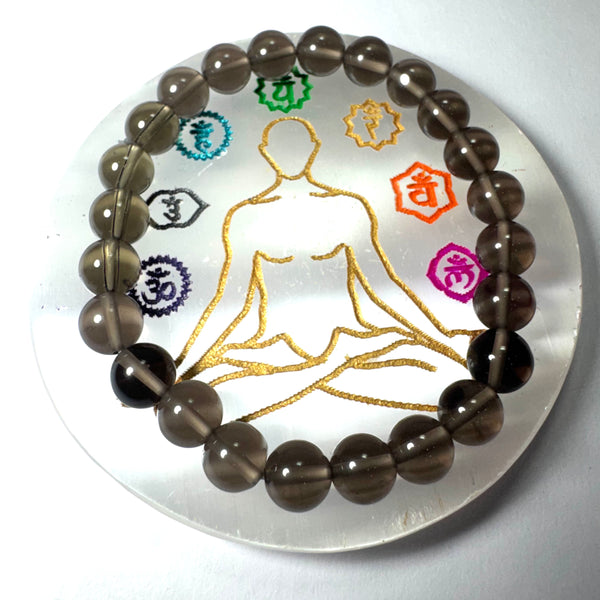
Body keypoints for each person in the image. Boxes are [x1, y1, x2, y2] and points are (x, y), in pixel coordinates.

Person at [176, 117, 476, 416]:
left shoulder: (346, 205)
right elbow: (229, 300)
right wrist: (184, 365)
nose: (289, 156)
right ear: (266, 151)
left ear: (313, 147)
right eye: (280, 148)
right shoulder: (246, 216)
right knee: (213, 395)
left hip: (354, 344)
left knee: (436, 372)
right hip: (276, 351)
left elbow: (383, 287)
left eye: (297, 147)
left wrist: (442, 338)